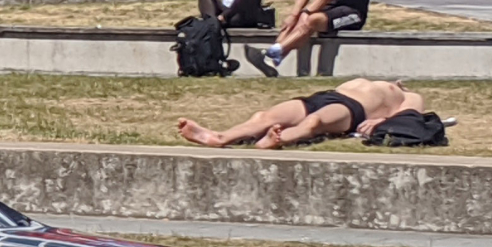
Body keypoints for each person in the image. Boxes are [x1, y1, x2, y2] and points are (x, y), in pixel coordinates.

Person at [176, 78, 425, 150]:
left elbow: (409, 118)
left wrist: (382, 120)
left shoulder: (407, 95)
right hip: (325, 96)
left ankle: (279, 139)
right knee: (264, 116)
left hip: (354, 110)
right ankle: (219, 137)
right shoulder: (371, 81)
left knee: (314, 122)